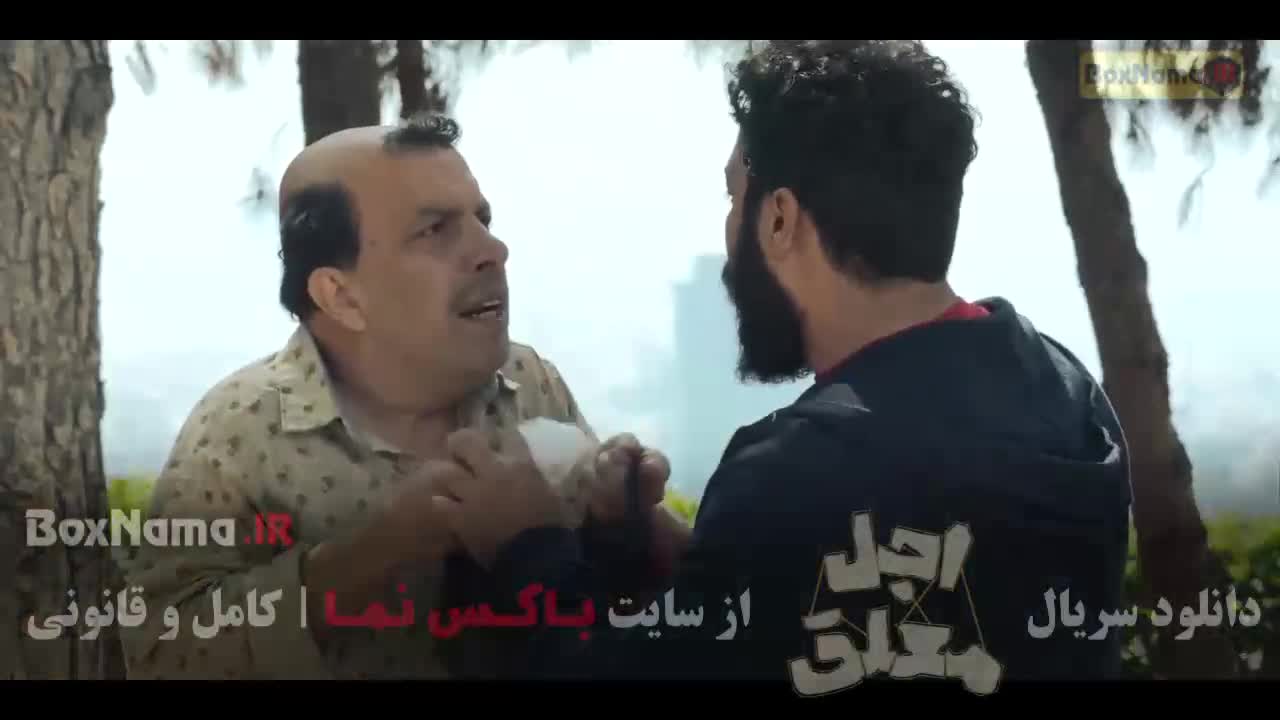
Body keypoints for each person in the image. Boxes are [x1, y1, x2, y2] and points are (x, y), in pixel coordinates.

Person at [427, 40, 1133, 690]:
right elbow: (824, 605)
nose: (730, 227)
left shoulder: (801, 470)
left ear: (779, 219)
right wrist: (637, 539)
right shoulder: (1064, 388)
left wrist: (525, 546)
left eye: (734, 197)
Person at [118, 115, 684, 679]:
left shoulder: (528, 382)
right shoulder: (240, 432)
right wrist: (382, 548)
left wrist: (625, 526)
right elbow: (158, 655)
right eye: (435, 230)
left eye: (483, 220)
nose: (494, 249)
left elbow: (617, 625)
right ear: (341, 295)